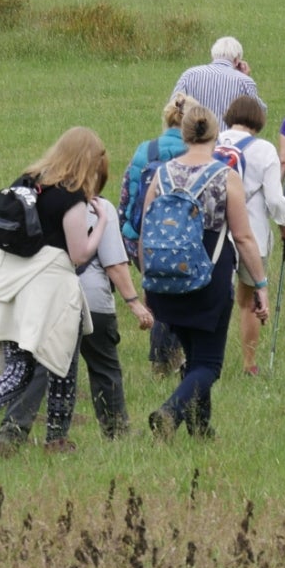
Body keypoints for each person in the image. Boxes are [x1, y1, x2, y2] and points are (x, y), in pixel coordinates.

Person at [0, 128, 104, 458]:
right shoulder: (72, 196)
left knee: (17, 369)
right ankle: (57, 439)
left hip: (11, 287)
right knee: (61, 362)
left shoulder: (25, 183)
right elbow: (79, 254)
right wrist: (102, 222)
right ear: (86, 160)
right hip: (51, 293)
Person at [0, 144, 149, 451]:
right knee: (104, 367)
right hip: (90, 304)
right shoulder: (97, 208)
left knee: (38, 369)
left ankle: (13, 430)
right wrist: (134, 302)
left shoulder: (35, 202)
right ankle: (115, 430)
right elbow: (114, 265)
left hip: (40, 301)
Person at [139, 100, 270, 438]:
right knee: (209, 364)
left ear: (183, 133)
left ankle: (200, 428)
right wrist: (260, 284)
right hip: (208, 276)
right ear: (216, 135)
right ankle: (170, 412)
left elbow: (145, 229)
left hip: (165, 279)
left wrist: (147, 281)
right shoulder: (224, 176)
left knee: (195, 355)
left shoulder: (161, 174)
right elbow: (243, 237)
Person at [219, 95, 285, 378]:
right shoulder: (263, 150)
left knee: (213, 296)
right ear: (258, 120)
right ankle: (249, 363)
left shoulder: (213, 141)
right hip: (253, 234)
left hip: (216, 231)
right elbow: (275, 198)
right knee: (249, 302)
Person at [120, 93, 191, 376]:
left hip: (141, 238)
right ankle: (168, 362)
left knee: (159, 297)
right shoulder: (195, 154)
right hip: (181, 238)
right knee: (178, 299)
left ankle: (165, 361)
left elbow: (128, 194)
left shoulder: (145, 150)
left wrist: (128, 232)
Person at [173, 36, 261, 123]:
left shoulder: (189, 75)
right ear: (237, 61)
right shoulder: (245, 81)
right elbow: (259, 113)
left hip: (195, 135)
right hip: (230, 136)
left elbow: (173, 106)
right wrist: (246, 77)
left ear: (213, 55)